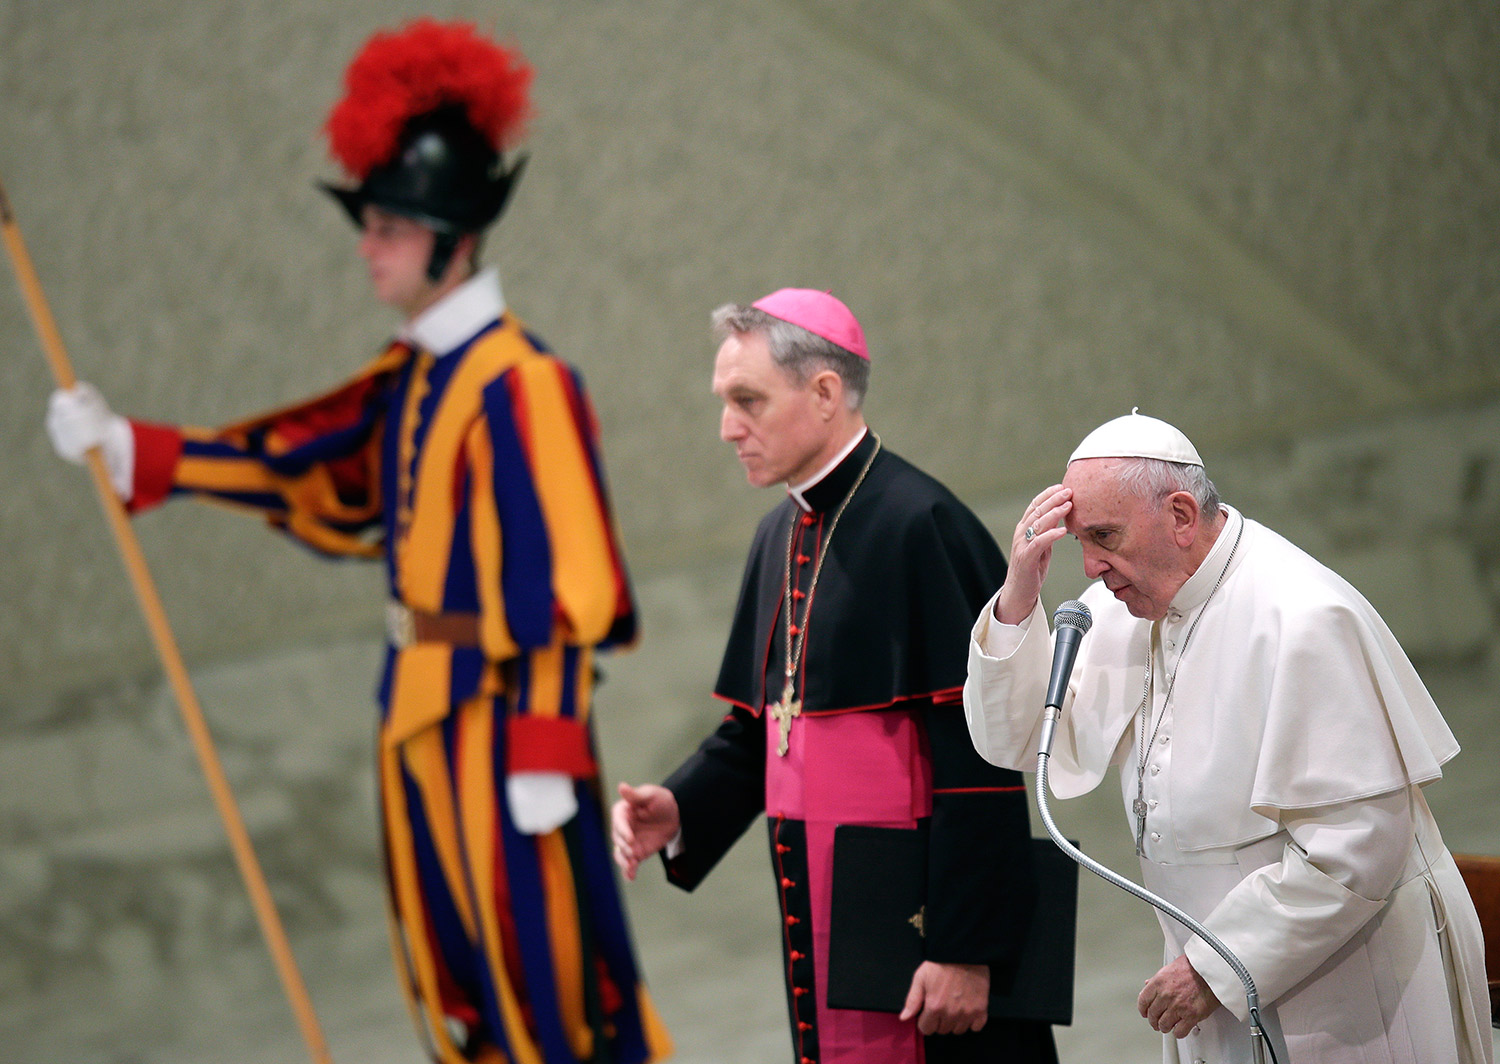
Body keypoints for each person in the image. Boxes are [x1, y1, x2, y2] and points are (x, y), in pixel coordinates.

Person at [43, 19, 671, 1064]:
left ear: (451, 234)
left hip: (503, 716)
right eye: (370, 222)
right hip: (418, 699)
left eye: (388, 223)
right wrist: (132, 449)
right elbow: (313, 465)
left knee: (540, 973)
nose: (368, 245)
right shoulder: (419, 371)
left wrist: (548, 746)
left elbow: (577, 586)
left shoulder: (524, 381)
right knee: (450, 957)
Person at [611, 289, 1060, 1064]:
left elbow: (982, 758)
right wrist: (681, 805)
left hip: (926, 929)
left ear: (823, 394)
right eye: (724, 403)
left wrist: (967, 950)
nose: (727, 428)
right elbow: (767, 726)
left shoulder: (923, 524)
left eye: (747, 400)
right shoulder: (777, 534)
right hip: (825, 919)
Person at [964, 410, 1493, 1063]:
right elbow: (1016, 743)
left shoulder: (1300, 618)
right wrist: (1019, 598)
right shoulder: (1119, 610)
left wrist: (1217, 964)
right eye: (1079, 541)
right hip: (1213, 979)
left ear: (1181, 516)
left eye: (1104, 535)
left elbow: (1357, 851)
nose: (1091, 566)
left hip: (1347, 982)